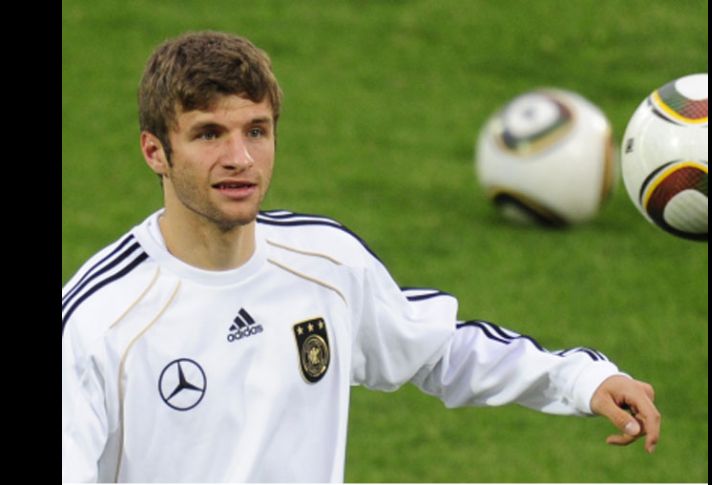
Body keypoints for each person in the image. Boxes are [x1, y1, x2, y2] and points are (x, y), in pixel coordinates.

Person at [61, 30, 660, 483]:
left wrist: (582, 378)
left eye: (258, 130)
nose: (240, 157)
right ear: (154, 151)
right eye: (209, 134)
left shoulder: (324, 261)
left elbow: (438, 349)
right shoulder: (99, 320)